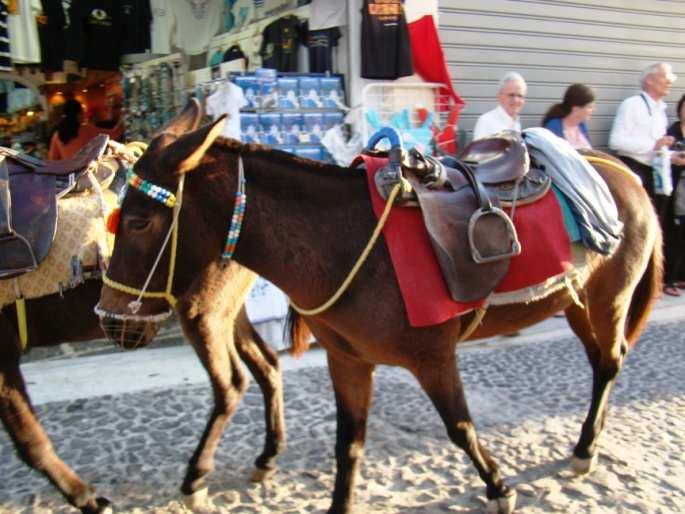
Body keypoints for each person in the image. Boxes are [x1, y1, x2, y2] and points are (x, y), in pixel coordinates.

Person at [608, 62, 685, 200]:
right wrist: (654, 145)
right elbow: (615, 141)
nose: (669, 81)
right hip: (633, 171)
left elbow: (657, 149)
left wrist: (672, 156)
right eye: (665, 77)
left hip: (654, 173)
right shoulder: (632, 104)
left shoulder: (660, 111)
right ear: (649, 80)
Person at [664, 93, 685, 296]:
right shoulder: (672, 131)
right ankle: (669, 279)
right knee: (675, 234)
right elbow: (666, 156)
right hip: (675, 189)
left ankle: (681, 277)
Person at [473, 71, 526, 140]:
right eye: (511, 95)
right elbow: (477, 150)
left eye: (520, 96)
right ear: (499, 96)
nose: (516, 100)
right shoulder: (486, 122)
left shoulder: (516, 123)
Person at [542, 83, 596, 149]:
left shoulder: (581, 125)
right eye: (590, 107)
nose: (594, 110)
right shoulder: (554, 126)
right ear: (576, 109)